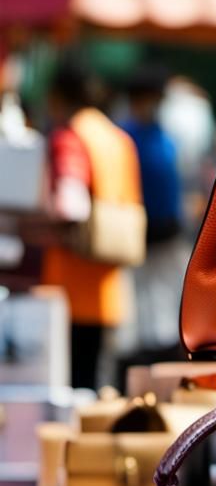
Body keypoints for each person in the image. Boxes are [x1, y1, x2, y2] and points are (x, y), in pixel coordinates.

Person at [41, 58, 142, 390]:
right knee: (100, 386)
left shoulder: (69, 136)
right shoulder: (117, 138)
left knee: (72, 389)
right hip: (109, 283)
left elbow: (70, 205)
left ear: (57, 95)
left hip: (70, 283)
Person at [120, 65, 187, 359]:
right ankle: (141, 356)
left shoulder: (163, 135)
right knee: (139, 304)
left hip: (166, 230)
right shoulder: (126, 136)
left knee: (167, 299)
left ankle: (163, 350)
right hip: (138, 232)